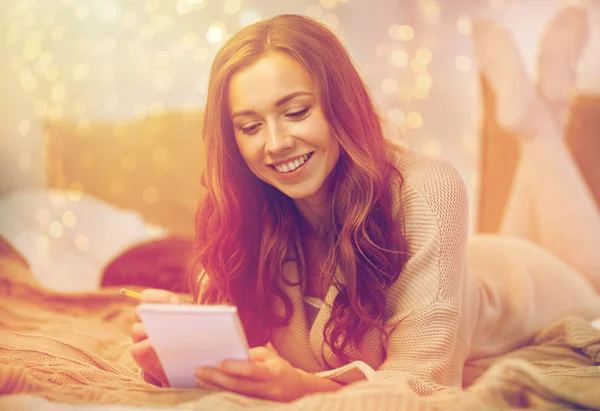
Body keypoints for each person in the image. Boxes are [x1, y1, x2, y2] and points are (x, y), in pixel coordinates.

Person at [129, 14, 600, 402]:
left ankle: (538, 122)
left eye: (296, 112)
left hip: (540, 284)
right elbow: (243, 347)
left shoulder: (427, 187)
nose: (275, 144)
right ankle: (543, 111)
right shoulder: (244, 205)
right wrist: (176, 355)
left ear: (340, 104)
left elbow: (421, 380)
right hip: (474, 268)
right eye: (250, 126)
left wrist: (303, 389)